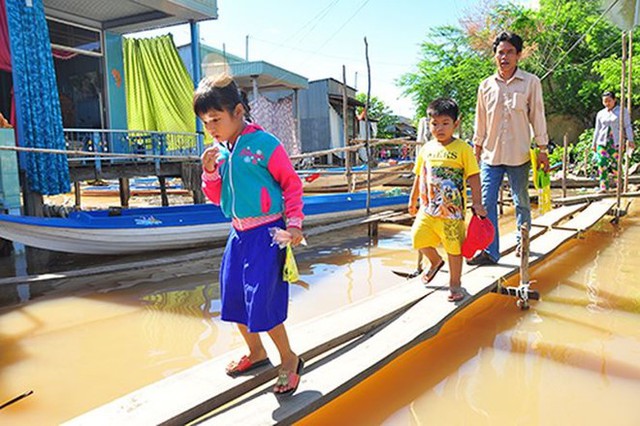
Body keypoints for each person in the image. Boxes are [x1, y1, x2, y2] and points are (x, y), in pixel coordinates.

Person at [196, 74, 305, 395]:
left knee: (262, 301)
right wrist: (209, 172)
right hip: (238, 235)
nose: (211, 127)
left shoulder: (266, 145)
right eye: (205, 122)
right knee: (232, 298)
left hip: (268, 233)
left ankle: (289, 358)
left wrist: (295, 224)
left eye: (216, 119)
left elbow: (291, 185)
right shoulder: (220, 151)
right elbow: (217, 198)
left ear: (239, 112)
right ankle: (257, 352)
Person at [470, 31, 549, 266]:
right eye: (500, 52)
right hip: (490, 155)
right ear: (495, 56)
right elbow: (480, 119)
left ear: (518, 55)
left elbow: (538, 116)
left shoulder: (531, 82)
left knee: (521, 201)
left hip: (520, 154)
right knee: (485, 204)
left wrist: (542, 148)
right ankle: (489, 251)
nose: (504, 57)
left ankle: (522, 242)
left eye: (510, 52)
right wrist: (476, 148)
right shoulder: (485, 86)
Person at [408, 98, 486, 302]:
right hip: (428, 209)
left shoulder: (463, 149)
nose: (439, 128)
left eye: (445, 123)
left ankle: (455, 283)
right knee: (417, 237)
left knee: (454, 248)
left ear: (455, 124)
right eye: (435, 124)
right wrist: (413, 199)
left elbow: (473, 176)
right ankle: (434, 262)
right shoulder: (426, 149)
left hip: (452, 212)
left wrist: (477, 202)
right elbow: (419, 175)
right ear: (429, 124)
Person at [592, 91, 635, 192]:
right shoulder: (600, 114)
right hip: (602, 142)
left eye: (609, 101)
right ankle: (603, 187)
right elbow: (597, 129)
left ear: (614, 100)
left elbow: (627, 126)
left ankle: (619, 185)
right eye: (604, 101)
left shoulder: (622, 111)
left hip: (616, 142)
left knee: (616, 164)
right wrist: (594, 144)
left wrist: (630, 139)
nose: (607, 103)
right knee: (601, 163)